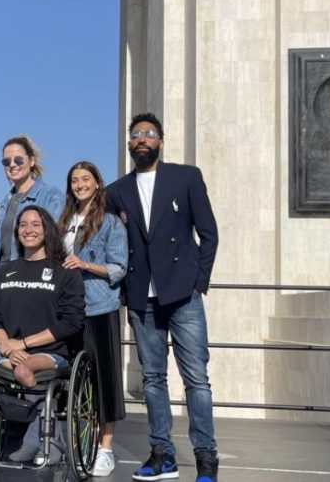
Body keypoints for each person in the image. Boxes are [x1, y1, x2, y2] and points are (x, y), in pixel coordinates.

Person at [106, 113, 219, 482]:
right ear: (128, 143)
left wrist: (198, 282)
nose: (141, 139)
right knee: (153, 379)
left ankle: (206, 457)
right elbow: (112, 244)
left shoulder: (186, 177)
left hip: (182, 295)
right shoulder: (116, 190)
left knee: (196, 379)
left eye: (148, 134)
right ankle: (161, 455)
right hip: (141, 297)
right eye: (135, 134)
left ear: (161, 141)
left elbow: (208, 234)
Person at [0, 205, 84, 464]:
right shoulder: (6, 271)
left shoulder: (64, 272)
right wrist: (7, 345)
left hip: (50, 353)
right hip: (9, 351)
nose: (29, 230)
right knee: (5, 368)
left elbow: (71, 322)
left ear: (47, 230)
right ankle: (40, 438)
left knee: (24, 370)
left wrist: (25, 344)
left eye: (36, 224)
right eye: (23, 224)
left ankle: (46, 439)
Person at [56, 162, 128, 477]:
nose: (80, 184)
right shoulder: (64, 222)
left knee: (104, 380)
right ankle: (74, 444)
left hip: (100, 307)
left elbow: (118, 267)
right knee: (72, 381)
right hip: (68, 309)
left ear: (98, 184)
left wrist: (84, 265)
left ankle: (106, 448)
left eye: (86, 179)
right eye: (75, 180)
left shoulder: (110, 223)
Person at [0, 135, 64, 269]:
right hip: (3, 276)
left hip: (33, 274)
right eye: (6, 162)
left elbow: (55, 240)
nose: (12, 165)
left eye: (18, 160)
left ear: (31, 161)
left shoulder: (50, 195)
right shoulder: (6, 201)